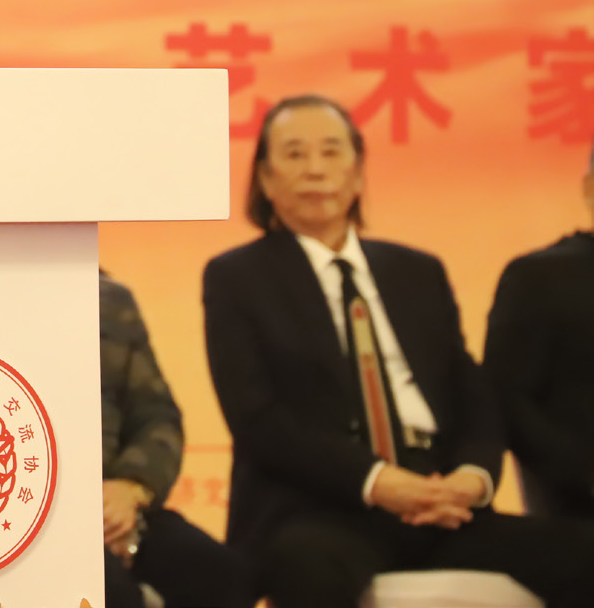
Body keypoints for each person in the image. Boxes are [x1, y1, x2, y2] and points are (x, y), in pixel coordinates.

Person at [201, 94, 594, 608]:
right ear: (265, 180)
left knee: (582, 553)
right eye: (294, 154)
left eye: (331, 151)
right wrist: (378, 483)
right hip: (320, 508)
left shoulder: (417, 271)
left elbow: (472, 394)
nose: (315, 169)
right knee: (307, 569)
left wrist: (472, 479)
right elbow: (259, 419)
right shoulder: (237, 277)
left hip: (438, 502)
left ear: (358, 173)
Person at [97, 271, 253, 608]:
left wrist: (131, 488)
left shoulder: (107, 299)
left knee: (221, 576)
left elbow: (157, 417)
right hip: (13, 515)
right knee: (112, 593)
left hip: (115, 506)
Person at [484, 140, 594, 520]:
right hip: (577, 513)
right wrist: (583, 473)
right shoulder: (538, 278)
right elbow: (505, 399)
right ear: (589, 189)